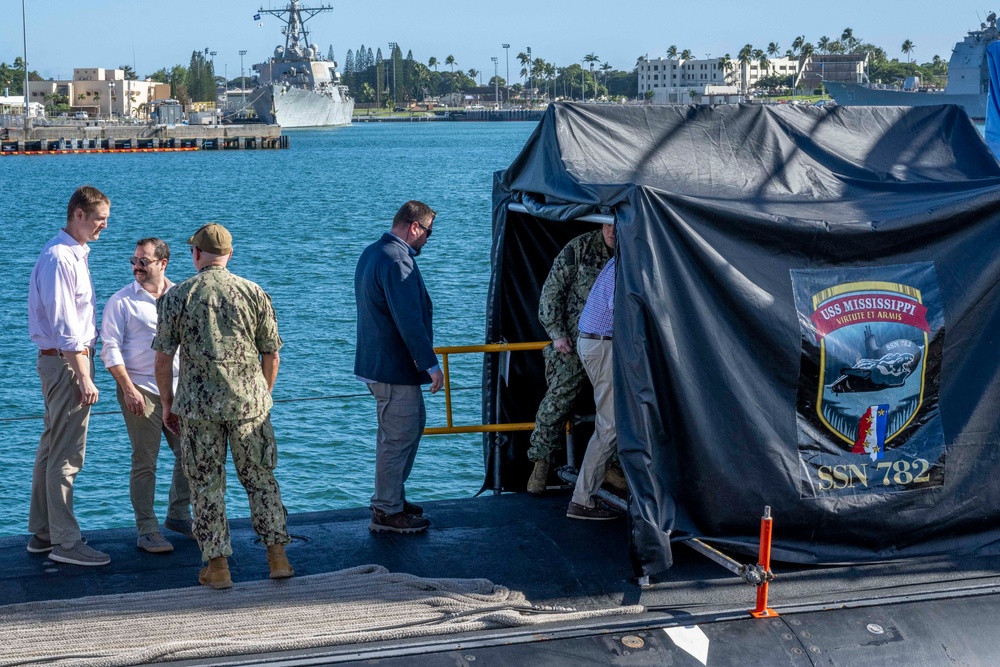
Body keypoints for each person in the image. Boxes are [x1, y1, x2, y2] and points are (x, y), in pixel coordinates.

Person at [152, 223, 293, 590]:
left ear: (196, 254)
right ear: (229, 254)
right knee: (261, 481)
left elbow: (163, 359)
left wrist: (168, 404)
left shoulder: (176, 296)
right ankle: (277, 557)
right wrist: (263, 394)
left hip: (198, 409)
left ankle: (218, 567)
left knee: (206, 486)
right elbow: (272, 353)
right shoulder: (253, 292)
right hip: (250, 405)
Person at [26, 185, 112, 567]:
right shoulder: (61, 258)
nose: (103, 226)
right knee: (66, 454)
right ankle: (65, 542)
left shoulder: (68, 254)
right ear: (78, 214)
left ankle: (44, 531)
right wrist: (83, 375)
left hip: (59, 361)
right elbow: (65, 326)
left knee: (50, 447)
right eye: (99, 219)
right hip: (67, 362)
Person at [355, 200, 443, 534]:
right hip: (393, 368)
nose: (428, 240)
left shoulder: (373, 252)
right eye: (428, 233)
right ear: (414, 227)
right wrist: (431, 364)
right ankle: (387, 511)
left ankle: (391, 496)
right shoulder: (397, 260)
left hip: (378, 363)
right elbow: (409, 321)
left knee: (408, 428)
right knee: (397, 437)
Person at [100, 237, 192, 554]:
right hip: (139, 389)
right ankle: (147, 529)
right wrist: (127, 389)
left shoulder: (181, 295)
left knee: (191, 454)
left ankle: (179, 515)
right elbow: (109, 349)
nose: (137, 266)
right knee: (145, 462)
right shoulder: (121, 301)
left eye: (144, 261)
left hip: (180, 389)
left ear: (163, 263)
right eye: (134, 260)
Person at [526, 224, 615, 494]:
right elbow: (552, 292)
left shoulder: (630, 249)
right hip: (572, 343)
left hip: (612, 344)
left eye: (617, 225)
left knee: (618, 407)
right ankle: (540, 463)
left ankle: (613, 467)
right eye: (608, 224)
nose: (612, 231)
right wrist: (557, 333)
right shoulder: (581, 248)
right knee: (557, 400)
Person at [567, 256, 621, 520]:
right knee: (609, 425)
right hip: (603, 345)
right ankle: (582, 500)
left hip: (593, 342)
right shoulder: (627, 263)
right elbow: (621, 307)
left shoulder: (617, 259)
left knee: (611, 420)